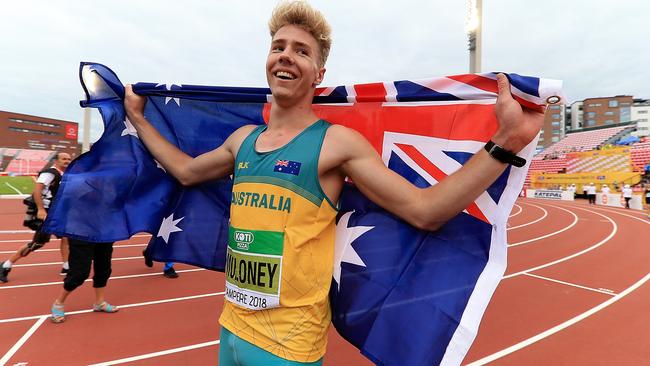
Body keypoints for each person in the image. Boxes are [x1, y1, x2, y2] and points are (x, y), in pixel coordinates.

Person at [123, 2, 544, 364]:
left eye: (301, 51)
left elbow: (425, 211)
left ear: (318, 73)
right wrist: (139, 119)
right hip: (231, 326)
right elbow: (185, 171)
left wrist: (506, 141)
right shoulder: (242, 141)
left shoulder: (335, 144)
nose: (286, 56)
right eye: (279, 47)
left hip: (287, 345)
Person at [0, 152, 72, 283]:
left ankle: (66, 266)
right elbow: (37, 190)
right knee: (37, 243)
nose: (67, 161)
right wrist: (40, 209)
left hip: (57, 212)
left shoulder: (63, 175)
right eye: (64, 159)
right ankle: (5, 265)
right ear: (56, 160)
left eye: (68, 159)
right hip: (47, 212)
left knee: (66, 237)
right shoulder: (50, 173)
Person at [50, 239, 119, 323]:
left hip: (104, 233)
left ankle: (100, 302)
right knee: (79, 273)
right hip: (82, 233)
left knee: (104, 268)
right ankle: (58, 303)